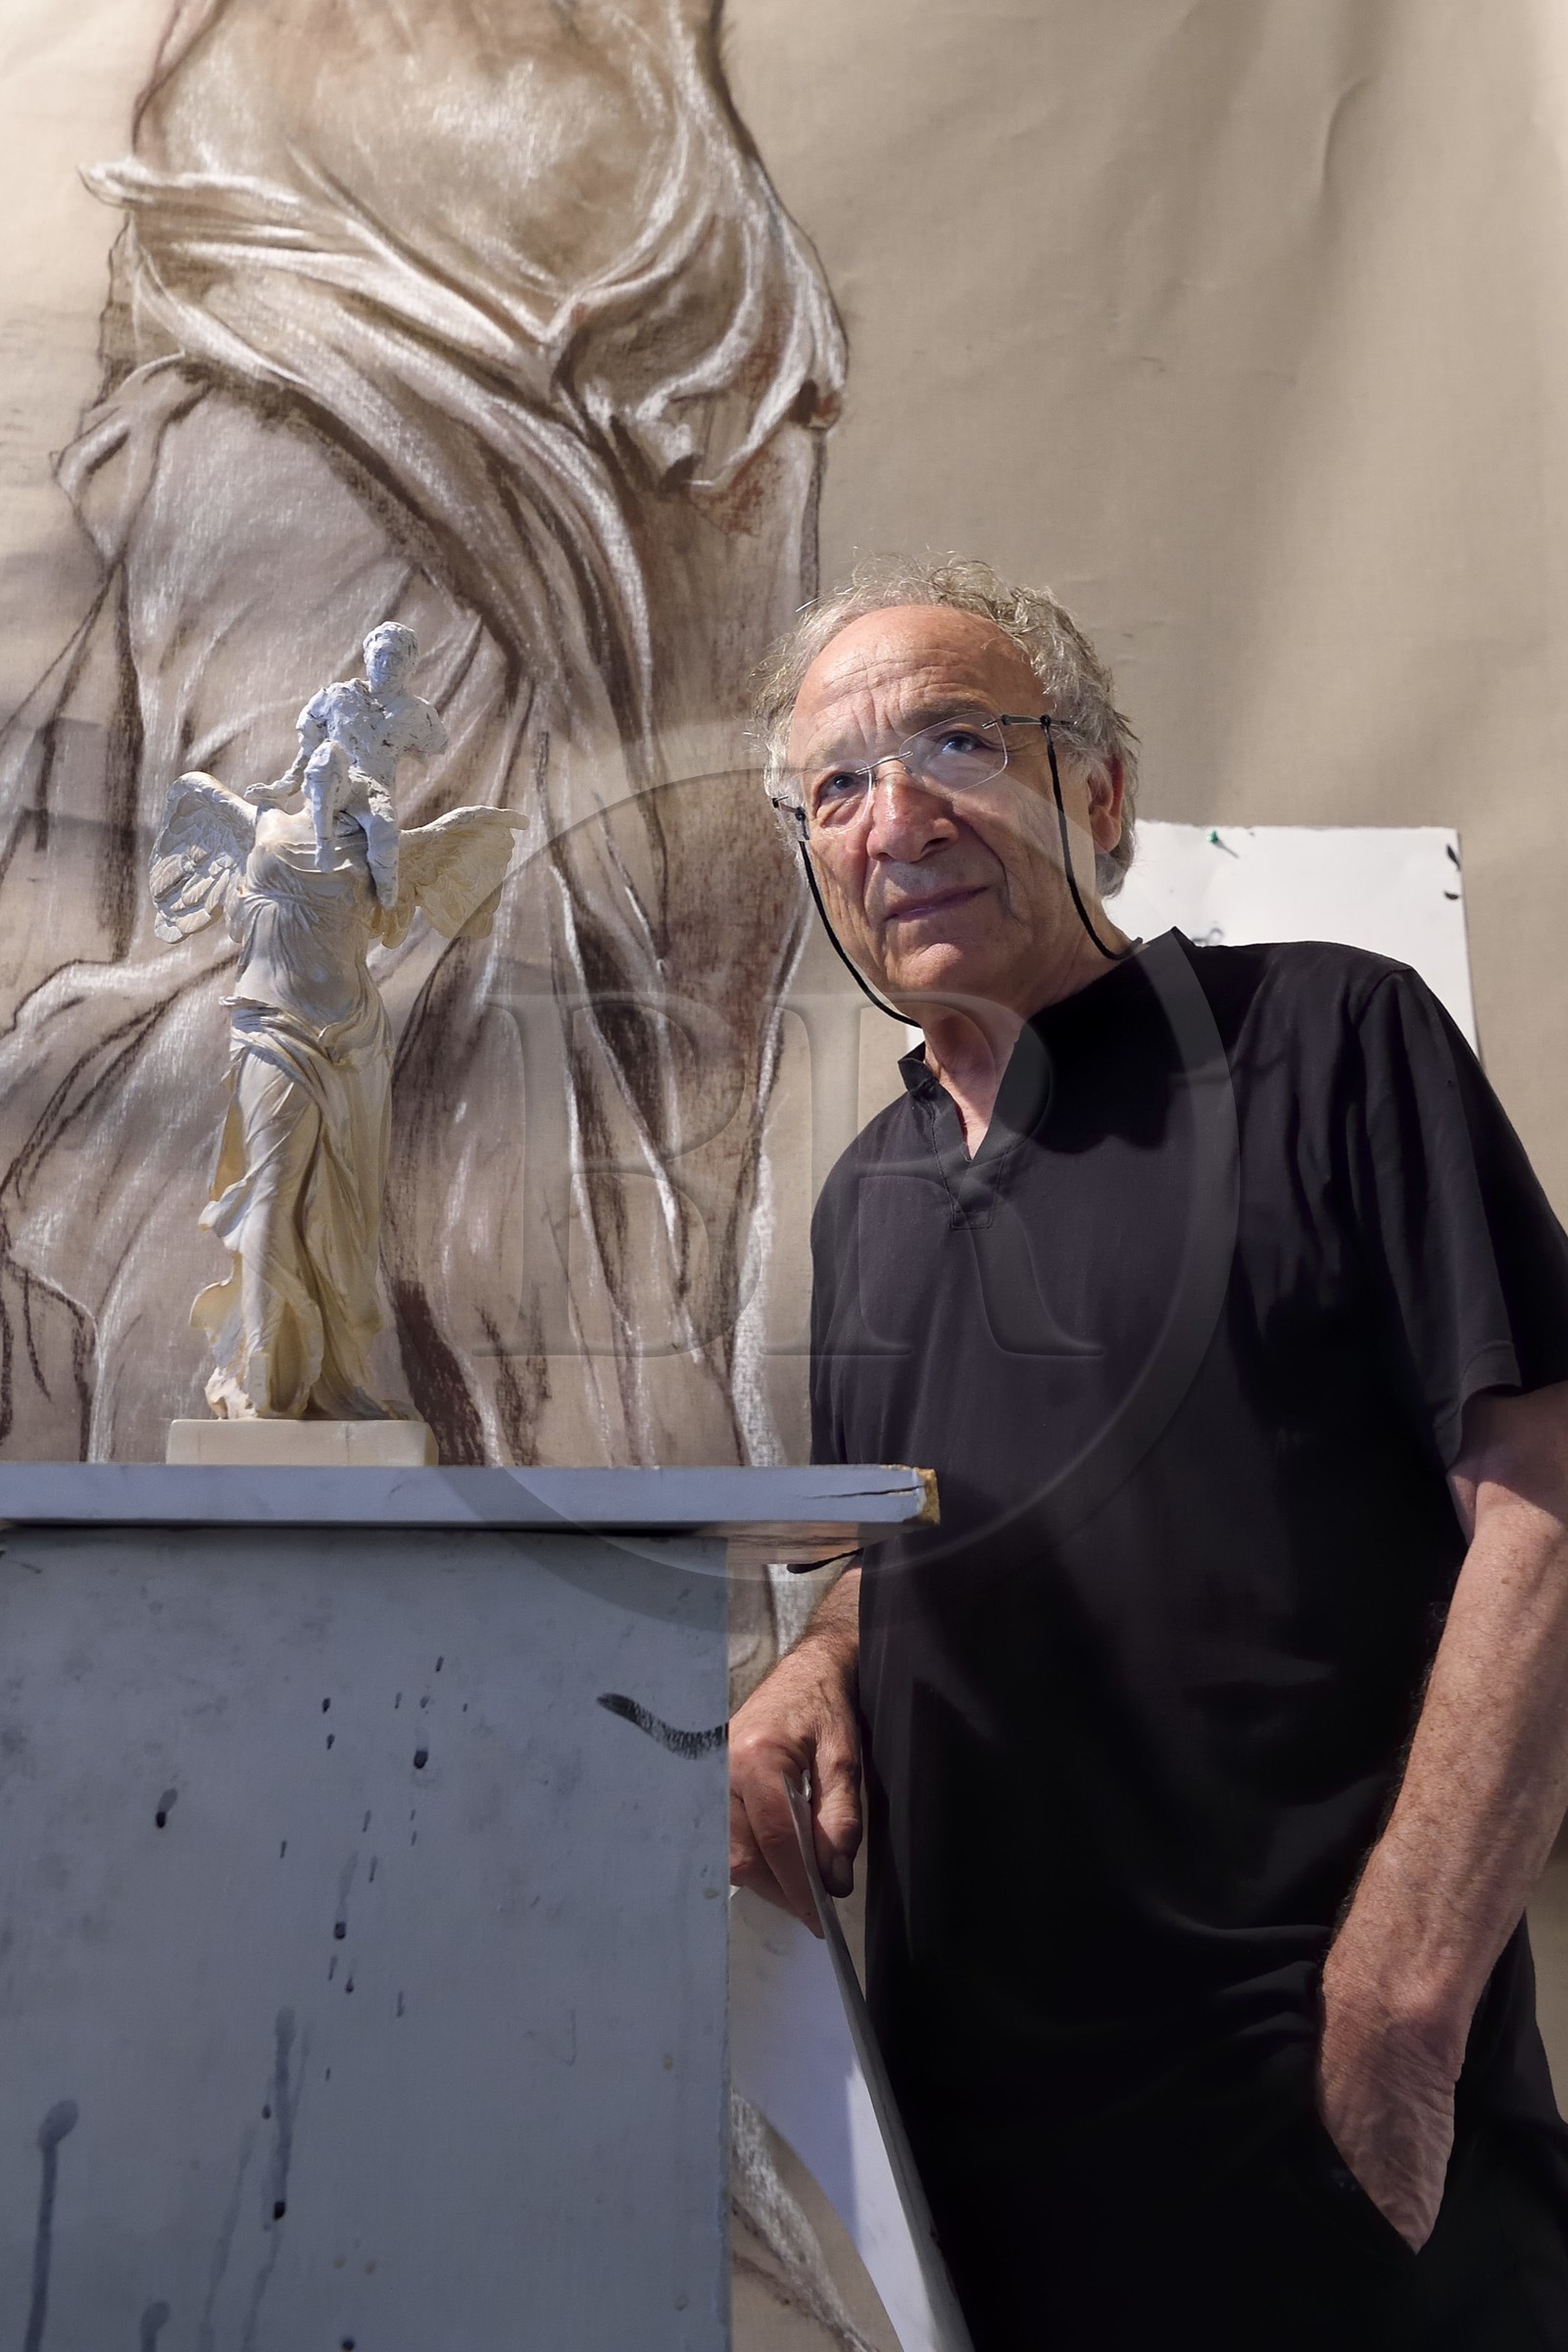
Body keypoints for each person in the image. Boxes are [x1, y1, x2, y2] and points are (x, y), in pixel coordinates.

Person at [730, 554, 1568, 2349]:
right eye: (840, 785)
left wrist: (1404, 2013)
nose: (900, 818)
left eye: (961, 739)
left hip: (1328, 2139)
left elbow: (1545, 1515)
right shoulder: (864, 1206)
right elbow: (905, 1568)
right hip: (988, 2172)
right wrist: (816, 1668)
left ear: (1099, 795)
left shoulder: (1333, 1044)